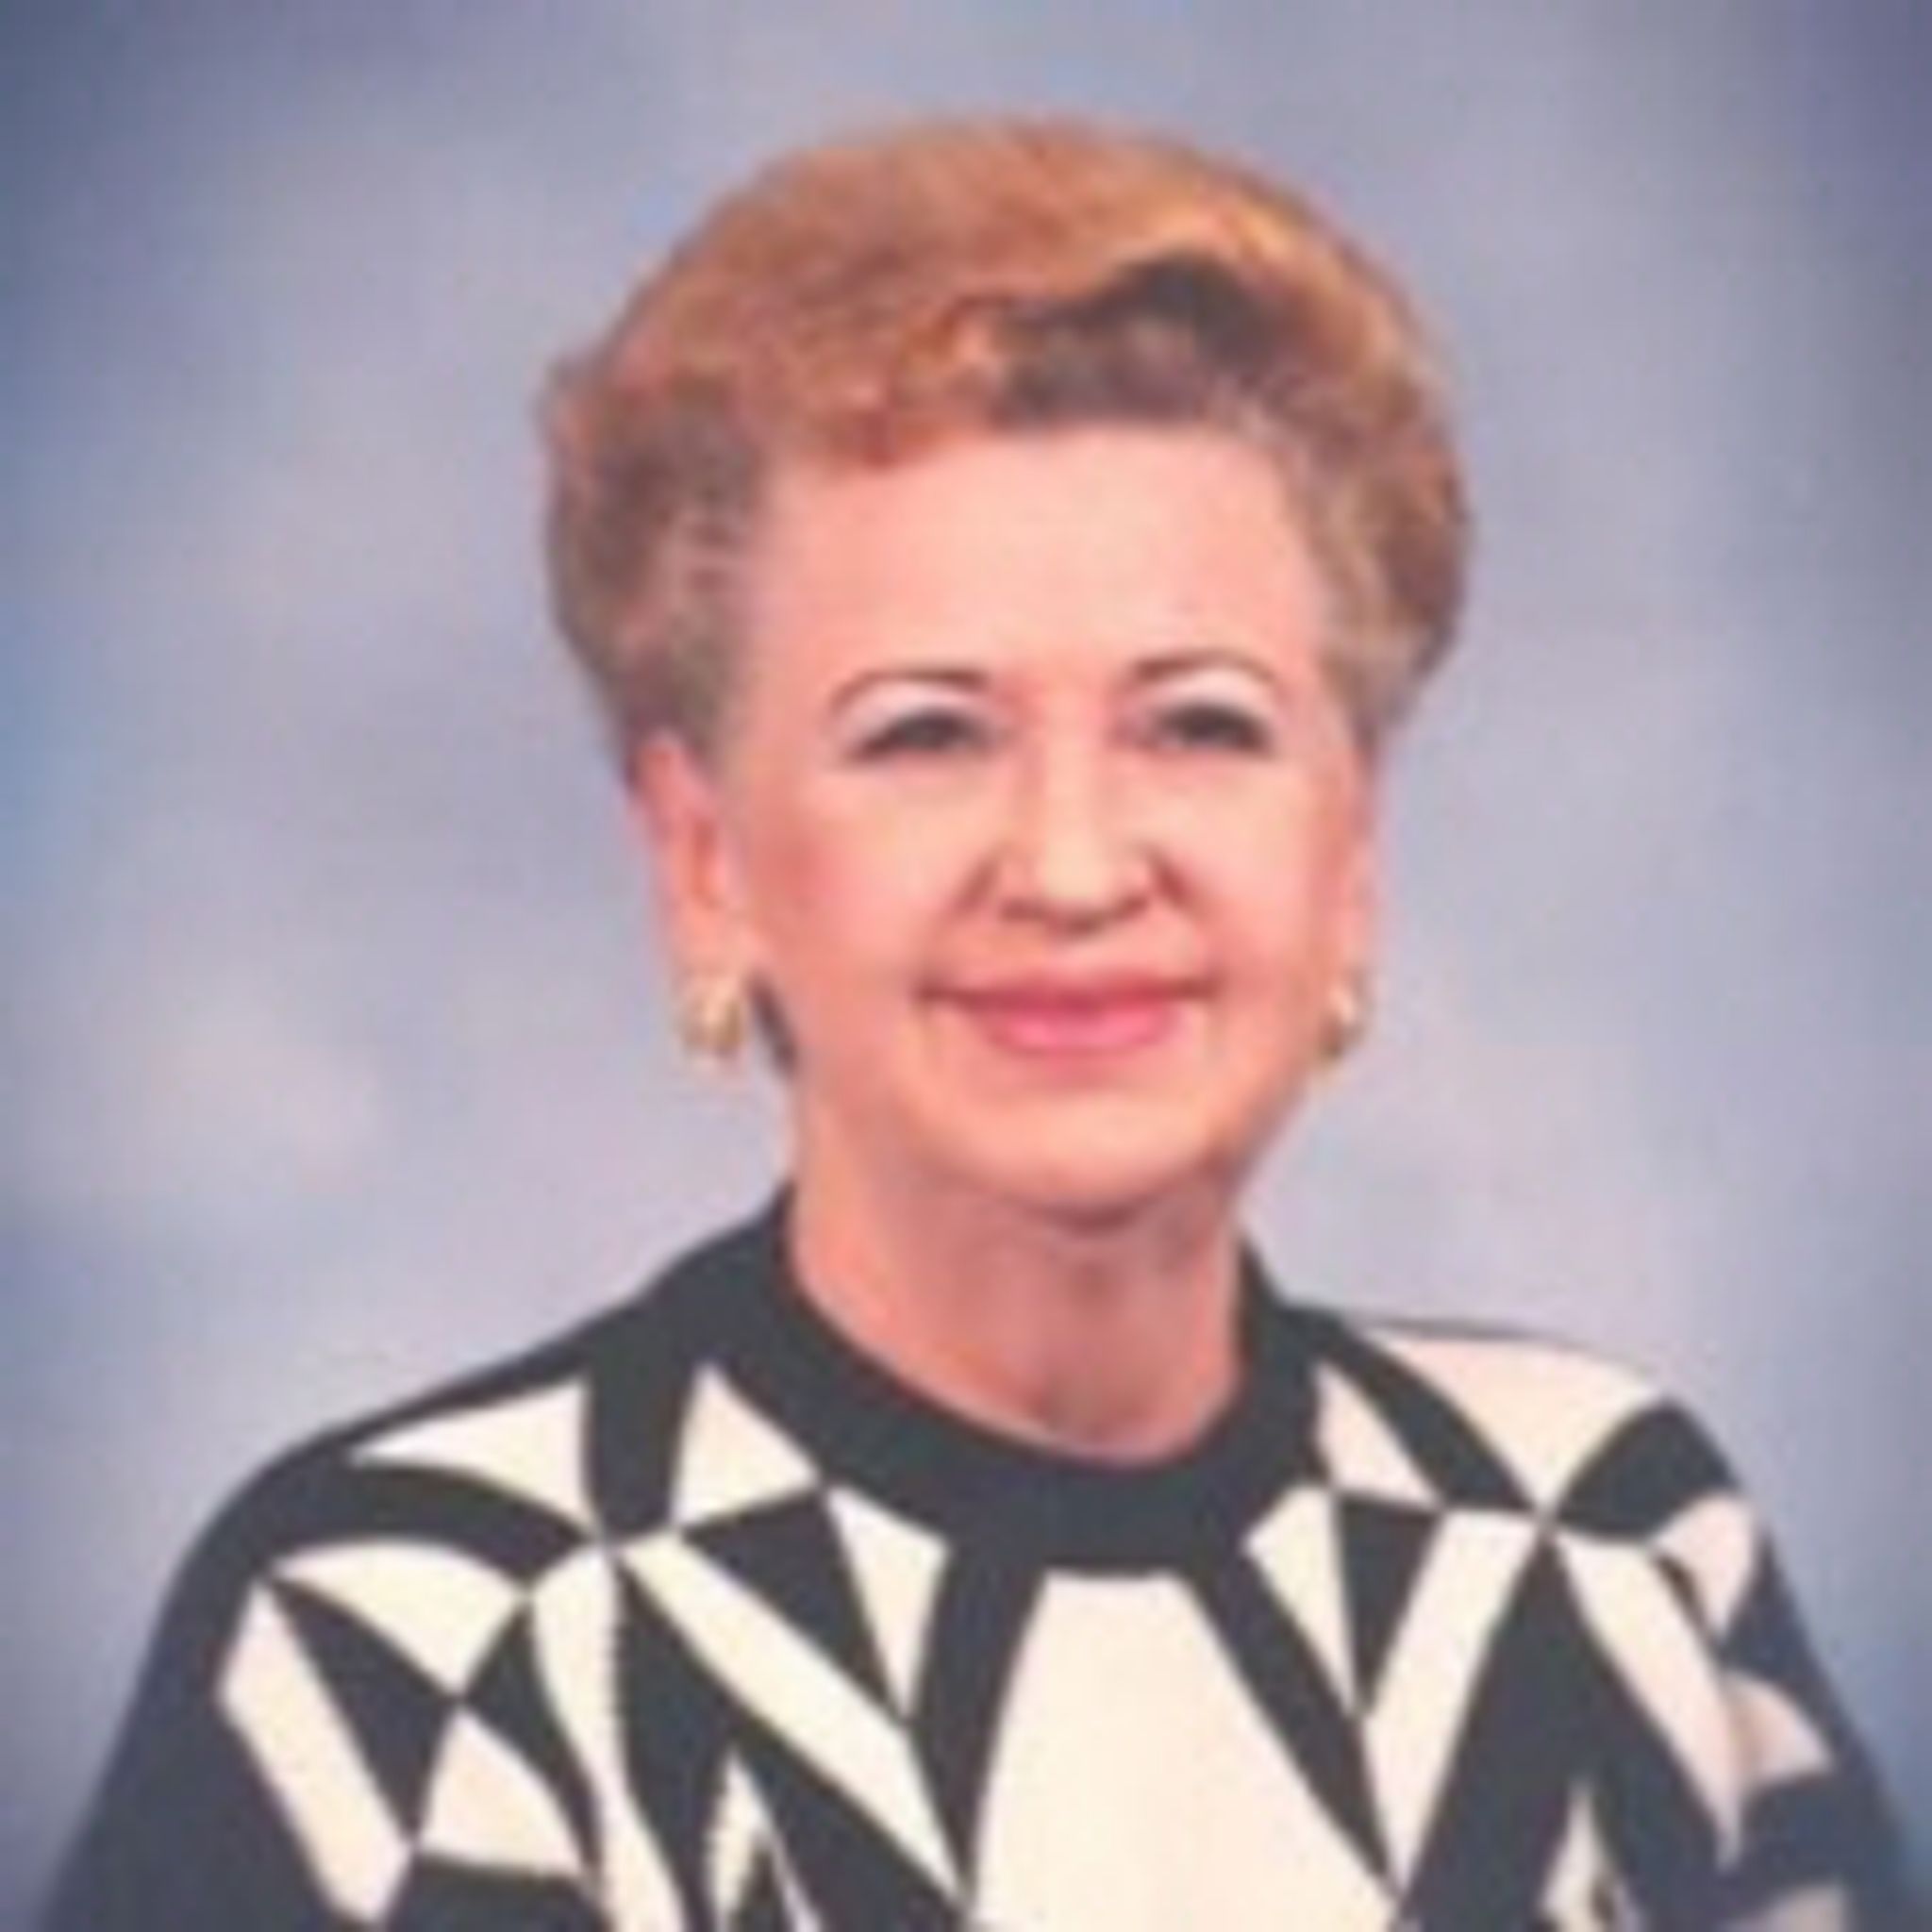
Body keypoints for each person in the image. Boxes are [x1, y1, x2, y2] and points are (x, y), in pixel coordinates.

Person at [48, 116, 1908, 1930]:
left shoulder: (1611, 1552)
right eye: (926, 733)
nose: (1076, 866)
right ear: (706, 862)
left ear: (1348, 848)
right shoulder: (422, 1644)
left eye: (1200, 723)